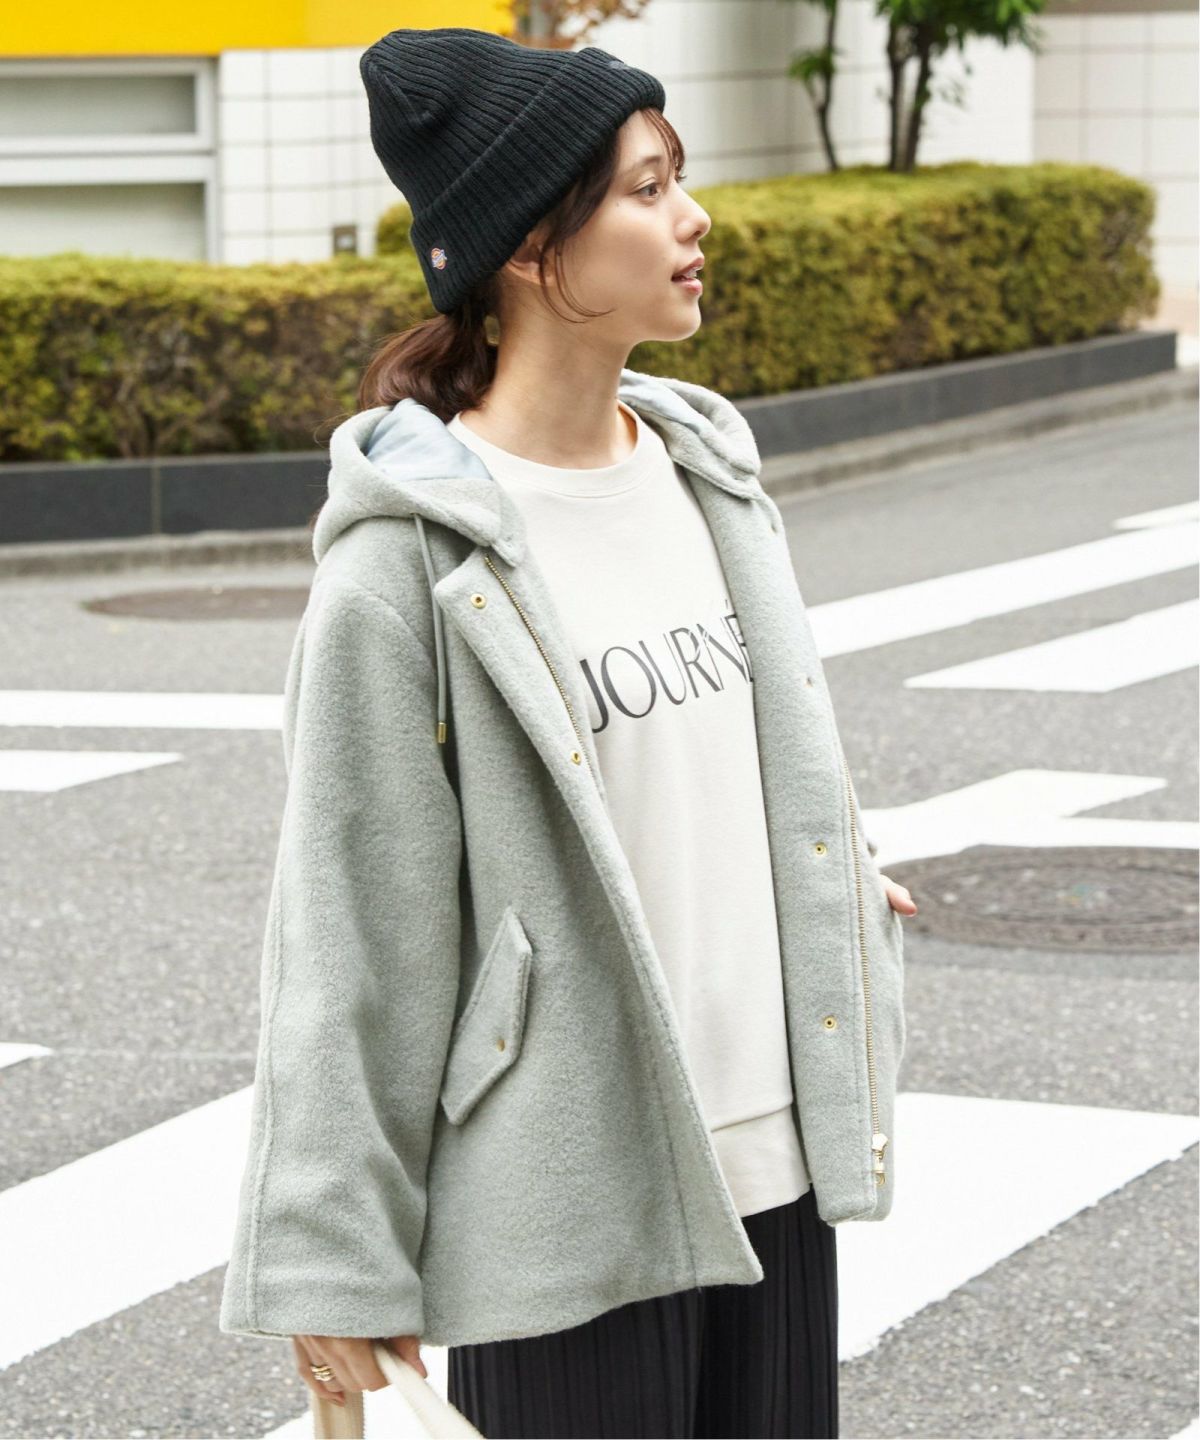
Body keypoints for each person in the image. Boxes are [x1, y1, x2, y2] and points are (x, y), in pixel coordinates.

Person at [218, 24, 915, 1440]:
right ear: (533, 250)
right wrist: (333, 1254)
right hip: (570, 1194)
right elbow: (353, 930)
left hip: (780, 1160)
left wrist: (829, 875)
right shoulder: (408, 566)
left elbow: (724, 768)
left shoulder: (709, 476)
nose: (694, 217)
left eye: (678, 178)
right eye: (648, 189)